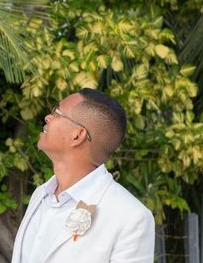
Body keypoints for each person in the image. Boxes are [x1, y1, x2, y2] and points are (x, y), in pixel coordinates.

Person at [11, 88, 155, 263]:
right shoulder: (40, 194)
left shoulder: (131, 217)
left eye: (57, 113)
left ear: (78, 135)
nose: (47, 118)